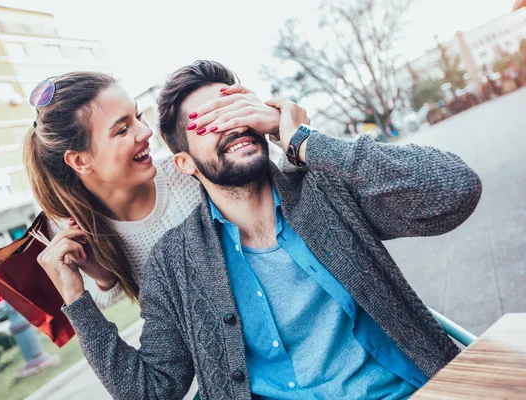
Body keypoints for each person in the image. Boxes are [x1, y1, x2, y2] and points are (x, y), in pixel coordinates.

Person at [44, 60, 482, 399]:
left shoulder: (325, 193)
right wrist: (76, 299)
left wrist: (304, 140)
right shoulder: (171, 264)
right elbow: (151, 391)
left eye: (237, 108)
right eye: (208, 122)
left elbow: (455, 191)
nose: (231, 123)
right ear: (184, 164)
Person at [25, 72, 284, 309]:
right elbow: (106, 298)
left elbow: (273, 190)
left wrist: (285, 133)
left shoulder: (188, 174)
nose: (146, 131)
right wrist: (102, 275)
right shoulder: (70, 226)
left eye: (137, 116)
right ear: (80, 161)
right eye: (123, 129)